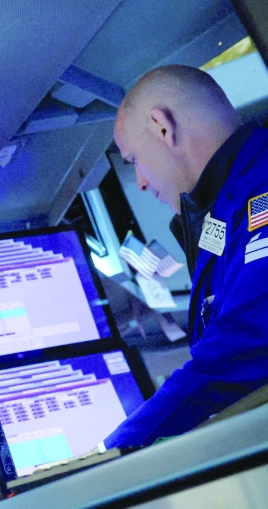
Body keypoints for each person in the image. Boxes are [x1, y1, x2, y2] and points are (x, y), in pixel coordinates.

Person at [105, 64, 268, 448]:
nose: (141, 181)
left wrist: (111, 457)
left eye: (133, 161)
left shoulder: (260, 193)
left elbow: (243, 349)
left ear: (162, 126)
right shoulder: (225, 210)